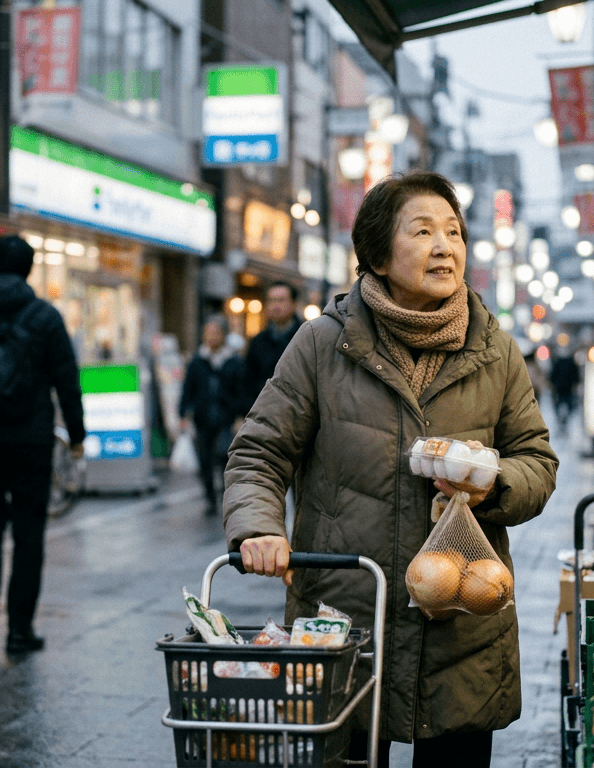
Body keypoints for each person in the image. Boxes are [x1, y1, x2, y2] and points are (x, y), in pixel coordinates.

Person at [225, 172, 558, 767]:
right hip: (346, 615)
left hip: (461, 615)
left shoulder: (496, 350)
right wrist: (258, 527)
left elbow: (536, 460)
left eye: (453, 232)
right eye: (423, 231)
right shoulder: (322, 345)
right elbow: (260, 450)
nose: (444, 247)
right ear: (377, 255)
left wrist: (494, 482)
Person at [0, 235, 85, 654]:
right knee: (28, 533)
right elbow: (66, 379)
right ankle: (20, 627)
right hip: (31, 438)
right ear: (28, 268)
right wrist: (76, 436)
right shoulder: (44, 316)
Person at [179, 316, 244, 517]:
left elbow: (241, 390)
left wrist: (241, 415)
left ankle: (227, 497)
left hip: (226, 418)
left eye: (215, 333)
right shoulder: (197, 360)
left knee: (226, 457)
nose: (211, 337)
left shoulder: (234, 361)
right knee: (205, 459)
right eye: (208, 333)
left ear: (224, 335)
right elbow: (188, 388)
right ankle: (209, 497)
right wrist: (183, 413)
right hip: (203, 417)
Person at [243, 281, 302, 412]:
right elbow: (247, 381)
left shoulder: (306, 337)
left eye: (281, 300)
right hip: (262, 412)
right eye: (271, 301)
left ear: (294, 304)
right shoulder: (257, 341)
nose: (275, 306)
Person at [549, 349, 581, 432]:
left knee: (559, 405)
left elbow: (552, 375)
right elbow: (576, 376)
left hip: (560, 388)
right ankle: (563, 422)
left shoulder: (557, 362)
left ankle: (562, 422)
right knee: (568, 405)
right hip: (566, 388)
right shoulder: (571, 362)